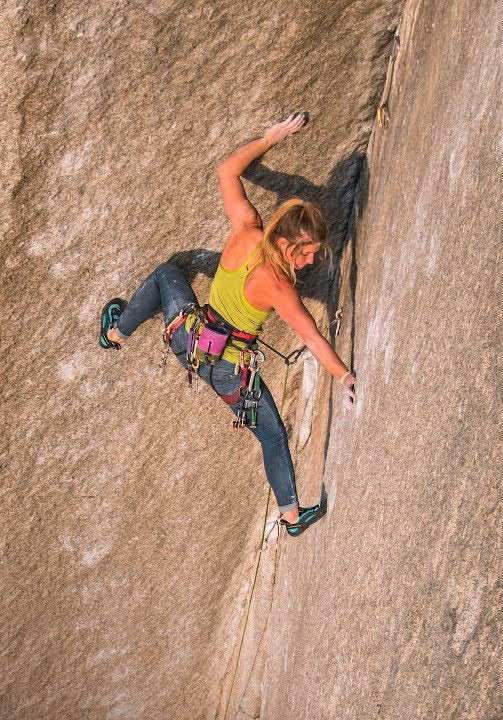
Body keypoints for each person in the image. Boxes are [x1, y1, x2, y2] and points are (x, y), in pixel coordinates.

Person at [97, 112, 357, 537]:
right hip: (228, 370)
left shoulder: (246, 230)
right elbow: (311, 336)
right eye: (307, 253)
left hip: (187, 337)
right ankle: (292, 517)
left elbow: (227, 171)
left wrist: (271, 137)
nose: (311, 261)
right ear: (286, 244)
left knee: (167, 274)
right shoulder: (278, 286)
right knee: (272, 435)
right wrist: (344, 375)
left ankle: (115, 333)